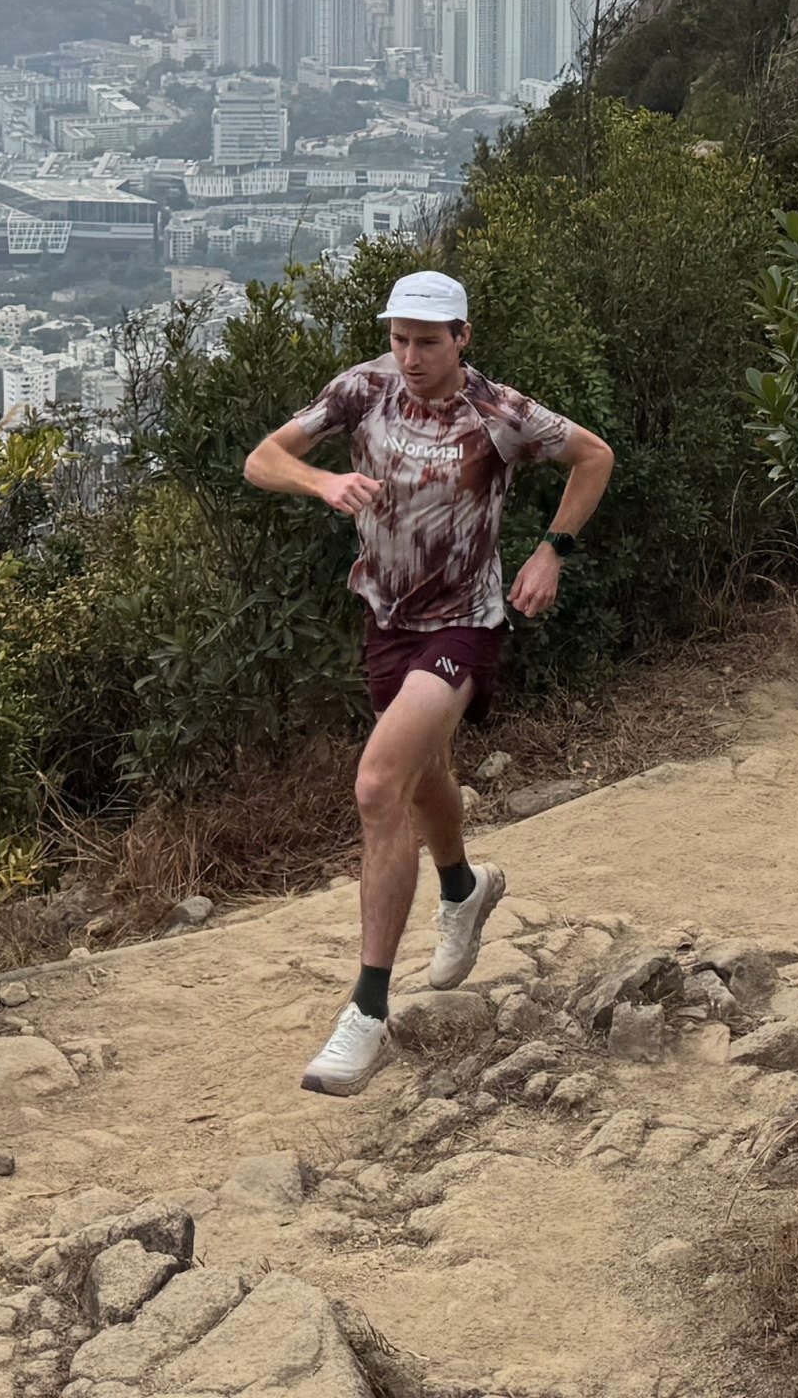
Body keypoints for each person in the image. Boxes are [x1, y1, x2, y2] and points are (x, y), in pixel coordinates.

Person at [243, 268, 614, 1096]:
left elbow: (593, 456)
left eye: (427, 342)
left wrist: (551, 550)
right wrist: (322, 481)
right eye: (399, 339)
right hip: (385, 617)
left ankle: (366, 1012)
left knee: (379, 784)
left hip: (464, 624)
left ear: (461, 338)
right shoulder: (362, 390)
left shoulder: (499, 414)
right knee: (423, 779)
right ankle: (462, 888)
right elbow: (262, 459)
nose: (410, 358)